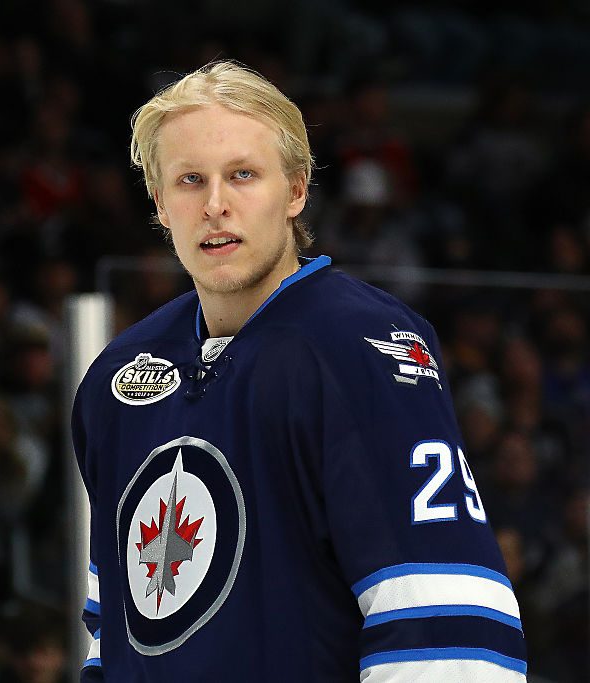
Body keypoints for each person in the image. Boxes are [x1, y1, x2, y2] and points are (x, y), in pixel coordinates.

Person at [71, 61, 526, 681]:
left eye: (243, 176)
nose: (214, 205)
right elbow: (115, 631)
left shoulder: (358, 343)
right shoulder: (117, 379)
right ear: (159, 204)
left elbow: (444, 621)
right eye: (188, 180)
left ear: (295, 190)